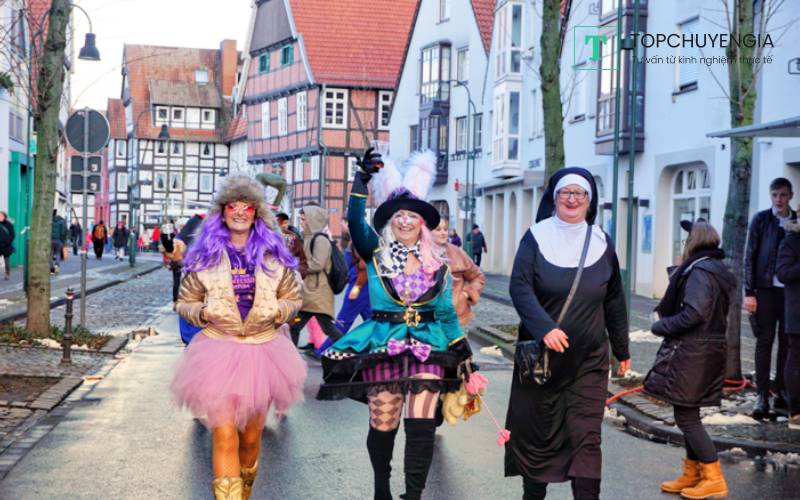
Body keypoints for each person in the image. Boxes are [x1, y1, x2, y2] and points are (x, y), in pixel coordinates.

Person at [317, 149, 473, 500]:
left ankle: (413, 495)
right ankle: (382, 490)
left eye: (412, 216)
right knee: (383, 424)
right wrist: (361, 182)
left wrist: (461, 348)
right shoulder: (376, 253)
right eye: (398, 215)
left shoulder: (438, 265)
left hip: (428, 347)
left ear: (422, 224)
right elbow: (355, 221)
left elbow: (446, 313)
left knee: (421, 426)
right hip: (383, 345)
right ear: (390, 221)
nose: (404, 221)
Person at [171, 175, 306, 499]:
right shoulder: (205, 256)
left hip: (263, 352)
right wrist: (204, 312)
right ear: (223, 211)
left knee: (250, 438)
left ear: (257, 213)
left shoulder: (274, 255)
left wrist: (277, 311)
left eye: (247, 206)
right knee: (224, 434)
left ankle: (243, 492)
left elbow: (293, 298)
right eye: (233, 206)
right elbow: (185, 302)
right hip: (218, 350)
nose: (241, 212)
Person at [505, 168, 629, 500]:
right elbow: (519, 287)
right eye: (565, 193)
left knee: (587, 438)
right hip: (542, 362)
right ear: (555, 198)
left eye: (579, 193)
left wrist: (622, 349)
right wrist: (544, 328)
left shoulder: (602, 242)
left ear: (590, 201)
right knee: (538, 435)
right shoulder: (535, 237)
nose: (572, 199)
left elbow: (614, 299)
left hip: (589, 360)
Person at [643, 220, 735, 499]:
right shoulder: (714, 269)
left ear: (694, 242)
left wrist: (661, 326)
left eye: (686, 240)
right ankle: (693, 473)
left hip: (695, 352)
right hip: (704, 350)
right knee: (687, 412)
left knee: (686, 416)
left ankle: (713, 477)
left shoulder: (700, 271)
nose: (683, 245)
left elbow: (694, 313)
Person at [744, 177, 797, 419]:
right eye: (775, 195)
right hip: (765, 289)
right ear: (770, 196)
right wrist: (749, 292)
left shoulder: (796, 220)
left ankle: (782, 392)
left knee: (787, 343)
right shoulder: (761, 220)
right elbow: (750, 255)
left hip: (790, 292)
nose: (779, 199)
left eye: (783, 195)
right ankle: (762, 394)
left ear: (790, 196)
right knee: (764, 341)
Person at [288, 205, 342, 348]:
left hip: (318, 292)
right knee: (295, 326)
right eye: (301, 219)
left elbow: (318, 264)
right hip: (310, 293)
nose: (301, 222)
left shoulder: (320, 240)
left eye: (304, 219)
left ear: (312, 220)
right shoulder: (307, 237)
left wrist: (297, 266)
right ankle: (291, 355)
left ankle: (349, 348)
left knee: (327, 328)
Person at [433, 218, 484, 326]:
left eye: (445, 229)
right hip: (426, 321)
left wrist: (465, 294)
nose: (443, 233)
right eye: (438, 229)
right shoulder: (418, 253)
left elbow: (478, 276)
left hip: (455, 317)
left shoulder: (457, 253)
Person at [777, 212, 800, 430]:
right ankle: (796, 410)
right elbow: (783, 273)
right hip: (797, 311)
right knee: (795, 359)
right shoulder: (790, 242)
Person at [334, 220, 371, 335]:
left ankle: (327, 347)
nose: (341, 225)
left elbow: (363, 267)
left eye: (344, 223)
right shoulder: (352, 241)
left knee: (342, 323)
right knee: (373, 321)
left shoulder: (359, 241)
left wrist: (356, 288)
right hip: (363, 287)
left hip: (358, 286)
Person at [275, 212, 308, 279]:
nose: (283, 225)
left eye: (285, 223)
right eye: (280, 223)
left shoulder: (293, 237)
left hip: (290, 278)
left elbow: (302, 260)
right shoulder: (269, 237)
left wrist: (297, 274)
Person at [0, 211, 15, 280]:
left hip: (6, 246)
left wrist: (7, 242)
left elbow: (12, 235)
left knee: (6, 262)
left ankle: (7, 274)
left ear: (4, 217)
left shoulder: (9, 225)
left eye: (1, 216)